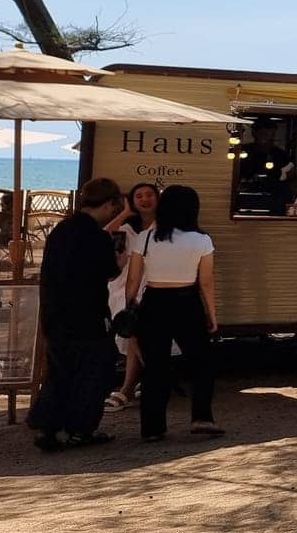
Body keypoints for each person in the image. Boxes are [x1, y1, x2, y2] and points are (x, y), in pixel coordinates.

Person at [26, 178, 123, 451]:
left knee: (60, 371)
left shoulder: (60, 230)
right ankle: (80, 428)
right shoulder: (97, 237)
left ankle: (48, 425)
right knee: (94, 371)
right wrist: (120, 261)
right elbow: (108, 272)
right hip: (87, 314)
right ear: (106, 205)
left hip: (55, 311)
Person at [125, 185, 223, 442]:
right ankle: (202, 417)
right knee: (202, 362)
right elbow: (206, 281)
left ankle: (152, 428)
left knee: (155, 367)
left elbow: (133, 279)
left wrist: (130, 305)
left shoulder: (145, 237)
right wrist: (212, 313)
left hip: (153, 302)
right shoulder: (201, 240)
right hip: (187, 303)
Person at [104, 182, 160, 412]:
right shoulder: (126, 229)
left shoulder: (165, 228)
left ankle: (128, 386)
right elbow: (103, 235)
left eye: (149, 195)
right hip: (124, 286)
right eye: (139, 196)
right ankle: (152, 376)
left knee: (135, 331)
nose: (145, 199)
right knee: (133, 327)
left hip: (153, 283)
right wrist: (125, 213)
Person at [235, 119, 297, 210]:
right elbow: (235, 176)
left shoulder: (280, 155)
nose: (265, 137)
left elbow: (291, 179)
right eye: (262, 133)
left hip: (274, 200)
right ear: (254, 133)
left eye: (269, 134)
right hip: (245, 199)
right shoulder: (243, 152)